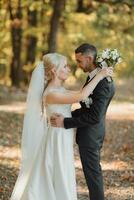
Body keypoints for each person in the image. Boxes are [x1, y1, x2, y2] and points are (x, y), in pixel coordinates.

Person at [10, 52, 113, 200]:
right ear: (54, 71)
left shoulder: (60, 90)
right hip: (57, 137)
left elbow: (81, 96)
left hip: (63, 135)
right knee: (59, 170)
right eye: (64, 66)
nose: (69, 69)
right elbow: (82, 95)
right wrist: (100, 75)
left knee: (62, 170)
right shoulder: (51, 93)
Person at [50, 44, 115, 200]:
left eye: (79, 61)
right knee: (91, 174)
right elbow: (87, 108)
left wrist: (65, 122)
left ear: (89, 58)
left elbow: (94, 117)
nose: (78, 65)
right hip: (88, 133)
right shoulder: (93, 76)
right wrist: (69, 114)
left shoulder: (103, 82)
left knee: (93, 175)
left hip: (91, 135)